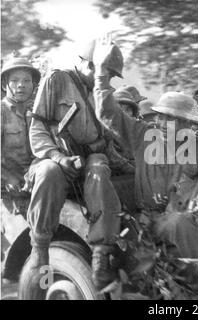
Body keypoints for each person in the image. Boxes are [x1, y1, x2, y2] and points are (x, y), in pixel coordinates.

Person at [93, 38, 198, 258]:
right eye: (161, 117)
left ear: (186, 124)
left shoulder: (197, 145)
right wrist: (101, 74)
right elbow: (108, 113)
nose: (162, 124)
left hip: (192, 215)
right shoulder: (143, 136)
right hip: (155, 222)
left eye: (171, 119)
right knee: (176, 223)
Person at [21, 39, 125, 297]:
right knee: (48, 172)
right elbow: (37, 129)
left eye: (111, 75)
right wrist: (57, 157)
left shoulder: (98, 92)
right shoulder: (57, 80)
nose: (108, 79)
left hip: (88, 161)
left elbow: (106, 144)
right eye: (105, 72)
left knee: (100, 166)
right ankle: (40, 247)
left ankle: (101, 254)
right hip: (55, 158)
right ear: (88, 64)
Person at [1, 57, 41, 196]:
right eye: (14, 80)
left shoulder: (38, 112)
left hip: (36, 178)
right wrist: (7, 177)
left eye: (26, 80)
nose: (21, 85)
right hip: (9, 185)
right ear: (4, 85)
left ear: (33, 85)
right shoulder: (2, 111)